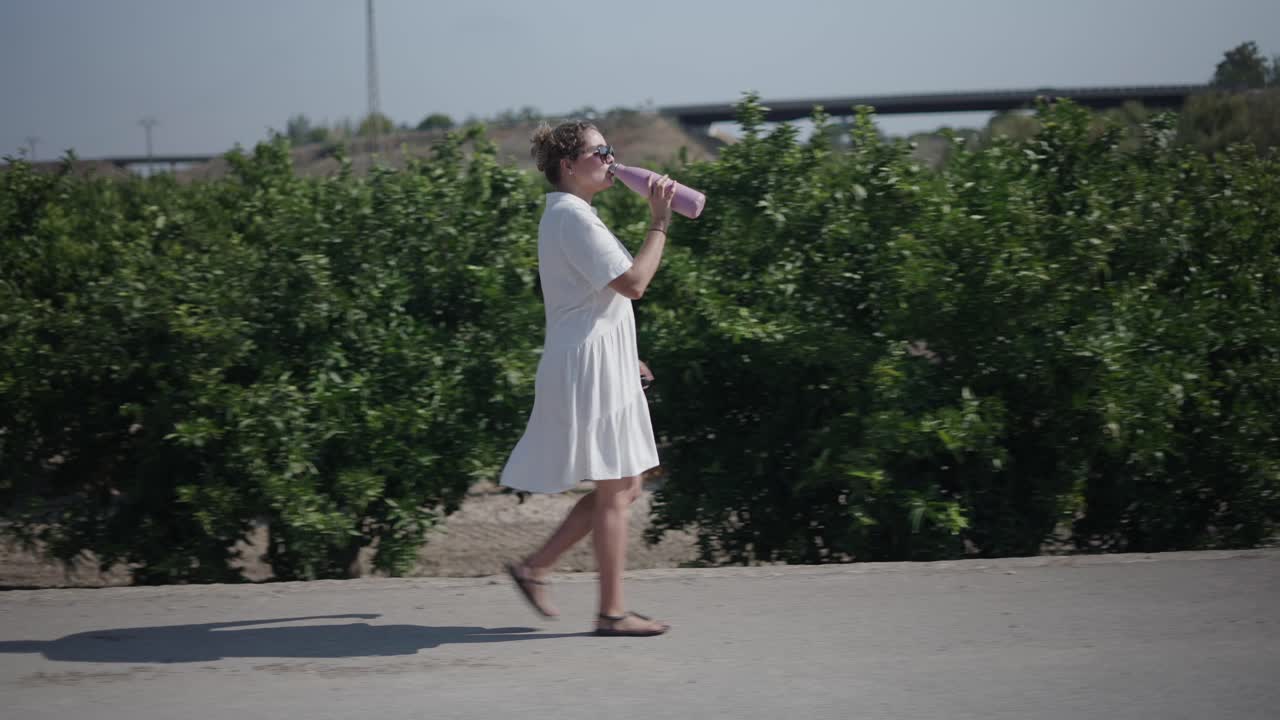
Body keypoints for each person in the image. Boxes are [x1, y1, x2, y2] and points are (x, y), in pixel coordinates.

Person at [500, 120, 675, 637]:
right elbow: (635, 283)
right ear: (569, 167)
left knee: (625, 487)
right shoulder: (573, 218)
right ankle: (612, 612)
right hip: (587, 367)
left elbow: (599, 304)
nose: (612, 159)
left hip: (600, 361)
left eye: (611, 150)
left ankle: (536, 568)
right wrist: (660, 221)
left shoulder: (574, 216)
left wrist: (630, 357)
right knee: (616, 485)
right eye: (601, 152)